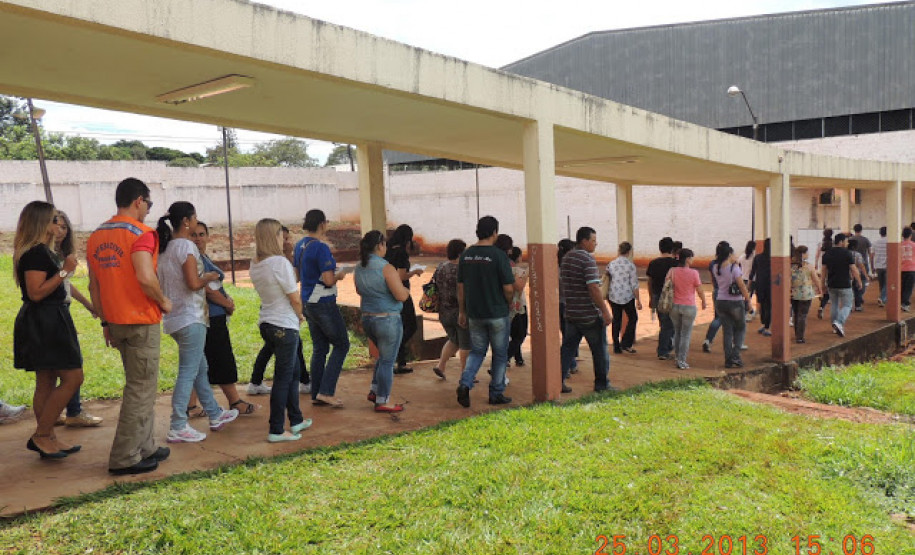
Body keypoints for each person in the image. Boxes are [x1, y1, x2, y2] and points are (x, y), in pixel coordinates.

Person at [88, 178, 172, 474]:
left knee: (142, 387)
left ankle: (145, 445)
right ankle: (124, 457)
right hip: (140, 320)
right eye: (148, 204)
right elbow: (146, 277)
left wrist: (105, 320)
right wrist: (164, 301)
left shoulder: (97, 235)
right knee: (140, 389)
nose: (149, 210)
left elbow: (94, 285)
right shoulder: (143, 233)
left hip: (116, 321)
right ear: (138, 200)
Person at [157, 202, 239, 443]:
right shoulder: (185, 246)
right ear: (187, 221)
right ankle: (178, 424)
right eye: (194, 219)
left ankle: (215, 414)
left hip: (176, 318)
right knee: (188, 372)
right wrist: (210, 277)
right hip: (190, 317)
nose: (195, 223)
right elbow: (193, 283)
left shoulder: (165, 248)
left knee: (200, 368)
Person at [13, 201, 84, 460]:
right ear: (42, 223)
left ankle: (49, 437)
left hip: (49, 318)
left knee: (46, 380)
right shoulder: (36, 253)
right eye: (55, 220)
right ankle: (42, 435)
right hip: (45, 321)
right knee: (73, 377)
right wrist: (65, 271)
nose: (59, 225)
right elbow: (36, 293)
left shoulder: (42, 252)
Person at [249, 218, 312, 441]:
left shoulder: (255, 262)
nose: (282, 238)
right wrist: (300, 314)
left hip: (268, 322)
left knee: (293, 372)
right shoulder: (279, 263)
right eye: (279, 234)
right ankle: (276, 429)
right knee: (284, 378)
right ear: (272, 236)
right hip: (284, 325)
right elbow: (294, 297)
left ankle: (295, 420)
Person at [185, 221, 257, 416]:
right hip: (210, 317)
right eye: (194, 235)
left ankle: (190, 405)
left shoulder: (201, 257)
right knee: (221, 359)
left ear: (208, 237)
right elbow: (205, 288)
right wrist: (226, 304)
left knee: (200, 362)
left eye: (201, 234)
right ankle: (235, 401)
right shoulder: (193, 258)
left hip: (211, 316)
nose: (198, 238)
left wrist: (226, 300)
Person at [455, 216, 515, 408]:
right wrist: (509, 302)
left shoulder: (466, 255)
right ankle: (496, 393)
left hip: (474, 313)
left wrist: (462, 311)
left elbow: (461, 287)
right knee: (499, 355)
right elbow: (508, 288)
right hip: (497, 313)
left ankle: (465, 383)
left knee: (477, 351)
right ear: (495, 232)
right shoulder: (499, 256)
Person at [51, 210, 104, 428]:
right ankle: (72, 411)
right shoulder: (43, 254)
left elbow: (65, 284)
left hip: (61, 310)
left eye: (65, 227)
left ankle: (61, 411)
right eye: (57, 225)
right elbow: (51, 283)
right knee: (71, 363)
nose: (61, 231)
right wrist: (64, 271)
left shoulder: (60, 254)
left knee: (58, 365)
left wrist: (88, 304)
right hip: (52, 313)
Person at [294, 209, 349, 407]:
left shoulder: (299, 245)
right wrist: (339, 276)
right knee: (342, 345)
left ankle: (317, 392)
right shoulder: (321, 248)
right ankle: (326, 391)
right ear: (323, 224)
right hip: (323, 302)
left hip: (307, 300)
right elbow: (327, 280)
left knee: (320, 348)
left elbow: (296, 277)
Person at [355, 230, 411, 412]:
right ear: (380, 245)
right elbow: (401, 295)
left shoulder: (359, 267)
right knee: (387, 361)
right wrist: (407, 291)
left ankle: (375, 390)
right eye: (384, 243)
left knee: (382, 356)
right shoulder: (386, 268)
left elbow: (359, 291)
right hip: (387, 320)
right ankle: (382, 400)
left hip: (368, 318)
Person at [560, 226, 613, 393]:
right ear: (584, 241)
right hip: (588, 314)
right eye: (593, 241)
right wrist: (604, 310)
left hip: (571, 313)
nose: (595, 244)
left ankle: (558, 381)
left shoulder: (566, 258)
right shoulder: (587, 259)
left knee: (567, 350)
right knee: (599, 351)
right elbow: (594, 288)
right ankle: (601, 384)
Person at [384, 224, 423, 374]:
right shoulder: (401, 253)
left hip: (389, 292)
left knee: (400, 325)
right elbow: (401, 276)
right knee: (411, 325)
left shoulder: (388, 250)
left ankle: (401, 361)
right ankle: (397, 351)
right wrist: (414, 272)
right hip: (401, 292)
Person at [432, 239, 469, 379]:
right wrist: (463, 312)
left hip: (443, 311)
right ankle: (466, 374)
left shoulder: (441, 266)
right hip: (460, 312)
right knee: (465, 344)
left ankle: (441, 366)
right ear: (460, 253)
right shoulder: (462, 270)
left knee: (454, 340)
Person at [711, 243, 752, 368]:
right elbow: (741, 285)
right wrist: (748, 300)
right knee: (740, 328)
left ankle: (728, 359)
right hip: (735, 301)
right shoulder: (734, 268)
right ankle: (735, 356)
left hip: (720, 301)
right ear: (729, 254)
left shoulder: (715, 267)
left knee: (727, 331)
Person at [666, 248, 707, 369]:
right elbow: (699, 289)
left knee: (677, 333)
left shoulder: (672, 271)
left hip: (674, 305)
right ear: (688, 259)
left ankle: (678, 357)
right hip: (689, 306)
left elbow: (667, 285)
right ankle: (682, 360)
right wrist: (704, 301)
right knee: (685, 335)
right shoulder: (694, 273)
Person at [820, 233, 862, 337]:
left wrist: (822, 284)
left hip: (831, 283)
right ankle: (839, 322)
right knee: (847, 305)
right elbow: (853, 269)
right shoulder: (847, 253)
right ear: (841, 241)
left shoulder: (827, 254)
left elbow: (824, 271)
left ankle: (834, 327)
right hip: (845, 284)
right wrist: (859, 281)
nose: (847, 243)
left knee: (834, 304)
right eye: (846, 241)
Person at [606, 241, 641, 354]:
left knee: (616, 320)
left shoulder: (612, 264)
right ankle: (626, 343)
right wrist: (638, 300)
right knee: (633, 318)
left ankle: (616, 346)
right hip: (627, 295)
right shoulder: (630, 266)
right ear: (629, 252)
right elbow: (634, 284)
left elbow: (607, 277)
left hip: (613, 295)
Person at [646, 237, 677, 360]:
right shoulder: (675, 263)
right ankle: (663, 350)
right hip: (671, 297)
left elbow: (649, 281)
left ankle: (666, 347)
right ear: (672, 249)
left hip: (657, 295)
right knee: (669, 324)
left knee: (664, 322)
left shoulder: (653, 263)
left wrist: (651, 297)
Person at [790, 246, 822, 343]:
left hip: (794, 293)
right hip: (806, 294)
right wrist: (820, 290)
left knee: (796, 314)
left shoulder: (790, 266)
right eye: (807, 252)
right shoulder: (809, 266)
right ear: (803, 254)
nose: (808, 254)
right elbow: (815, 279)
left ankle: (797, 334)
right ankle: (800, 337)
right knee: (802, 315)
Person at [557, 238, 579, 373]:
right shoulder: (567, 267)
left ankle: (570, 362)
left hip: (562, 303)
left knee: (568, 335)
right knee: (569, 336)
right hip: (567, 303)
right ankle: (569, 364)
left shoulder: (558, 267)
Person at [506, 246, 529, 367]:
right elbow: (519, 287)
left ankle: (518, 358)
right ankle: (505, 357)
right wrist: (526, 274)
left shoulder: (508, 268)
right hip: (518, 305)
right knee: (520, 334)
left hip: (511, 305)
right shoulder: (515, 271)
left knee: (515, 334)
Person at [749, 238, 772, 336]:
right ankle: (767, 327)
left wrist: (749, 284)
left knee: (762, 304)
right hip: (770, 285)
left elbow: (752, 272)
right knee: (769, 306)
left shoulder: (758, 257)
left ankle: (763, 324)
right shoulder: (774, 259)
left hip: (760, 284)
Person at [737, 240, 757, 321]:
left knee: (744, 297)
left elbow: (738, 266)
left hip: (743, 278)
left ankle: (749, 311)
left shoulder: (742, 257)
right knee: (748, 298)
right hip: (751, 280)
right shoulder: (754, 258)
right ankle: (746, 314)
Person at [847, 238, 868, 311]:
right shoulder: (857, 254)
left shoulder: (845, 253)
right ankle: (858, 306)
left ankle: (849, 307)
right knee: (858, 290)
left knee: (849, 291)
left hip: (847, 275)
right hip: (856, 274)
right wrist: (866, 275)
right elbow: (861, 265)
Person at [901, 228, 915, 312]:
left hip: (901, 269)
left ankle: (902, 302)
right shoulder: (914, 245)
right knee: (909, 288)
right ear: (910, 235)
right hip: (912, 269)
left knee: (902, 286)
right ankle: (905, 304)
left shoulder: (899, 245)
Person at [873, 226, 887, 307]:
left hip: (878, 265)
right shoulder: (890, 242)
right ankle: (882, 298)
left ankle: (882, 298)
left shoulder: (875, 242)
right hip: (887, 266)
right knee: (887, 283)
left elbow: (872, 255)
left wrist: (872, 266)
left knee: (881, 283)